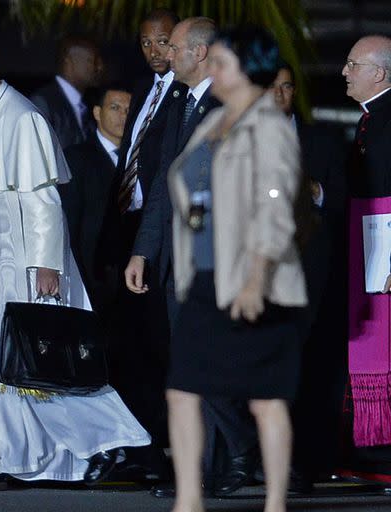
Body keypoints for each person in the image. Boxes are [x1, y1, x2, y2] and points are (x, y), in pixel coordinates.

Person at [0, 41, 151, 487]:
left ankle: (106, 445)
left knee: (35, 362)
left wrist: (45, 264)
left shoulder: (22, 117)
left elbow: (43, 199)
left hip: (21, 259)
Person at [165, 27, 306, 512]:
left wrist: (255, 276)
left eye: (221, 62)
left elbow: (275, 203)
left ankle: (274, 503)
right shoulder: (214, 123)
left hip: (253, 279)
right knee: (182, 391)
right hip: (206, 277)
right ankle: (188, 501)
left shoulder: (267, 125)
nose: (212, 69)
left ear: (248, 69)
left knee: (266, 398)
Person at [125, 17, 260, 497]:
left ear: (200, 53)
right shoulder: (181, 104)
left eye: (174, 46)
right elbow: (163, 184)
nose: (166, 53)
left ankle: (242, 454)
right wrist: (144, 251)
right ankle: (207, 469)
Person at [102, 8, 184, 477]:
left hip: (162, 236)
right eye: (147, 43)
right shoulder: (143, 92)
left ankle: (165, 448)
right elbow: (127, 168)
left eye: (162, 42)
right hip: (129, 231)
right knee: (130, 347)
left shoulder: (186, 97)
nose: (155, 51)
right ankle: (139, 447)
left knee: (159, 344)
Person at [270, 64, 347, 491]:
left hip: (311, 272)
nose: (279, 95)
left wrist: (313, 189)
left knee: (310, 366)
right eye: (272, 88)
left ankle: (303, 463)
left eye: (286, 88)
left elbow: (344, 198)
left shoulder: (322, 139)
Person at [341, 35, 391, 469]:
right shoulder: (371, 119)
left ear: (379, 73)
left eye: (353, 64)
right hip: (368, 245)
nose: (344, 71)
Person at [60, 83, 130, 314]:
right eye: (115, 108)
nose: (123, 115)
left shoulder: (140, 158)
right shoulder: (77, 158)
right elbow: (70, 224)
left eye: (128, 110)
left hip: (132, 276)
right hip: (92, 277)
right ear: (97, 113)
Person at [30, 35, 102, 149]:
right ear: (69, 61)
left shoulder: (89, 104)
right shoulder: (44, 102)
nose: (99, 67)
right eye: (92, 60)